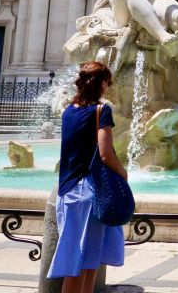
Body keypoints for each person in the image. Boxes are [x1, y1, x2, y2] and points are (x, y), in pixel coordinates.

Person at [47, 61, 127, 293]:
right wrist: (123, 172)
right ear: (101, 83)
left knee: (84, 259)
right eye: (107, 82)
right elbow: (105, 153)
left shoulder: (69, 111)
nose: (108, 87)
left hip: (67, 191)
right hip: (89, 193)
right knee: (84, 262)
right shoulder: (102, 110)